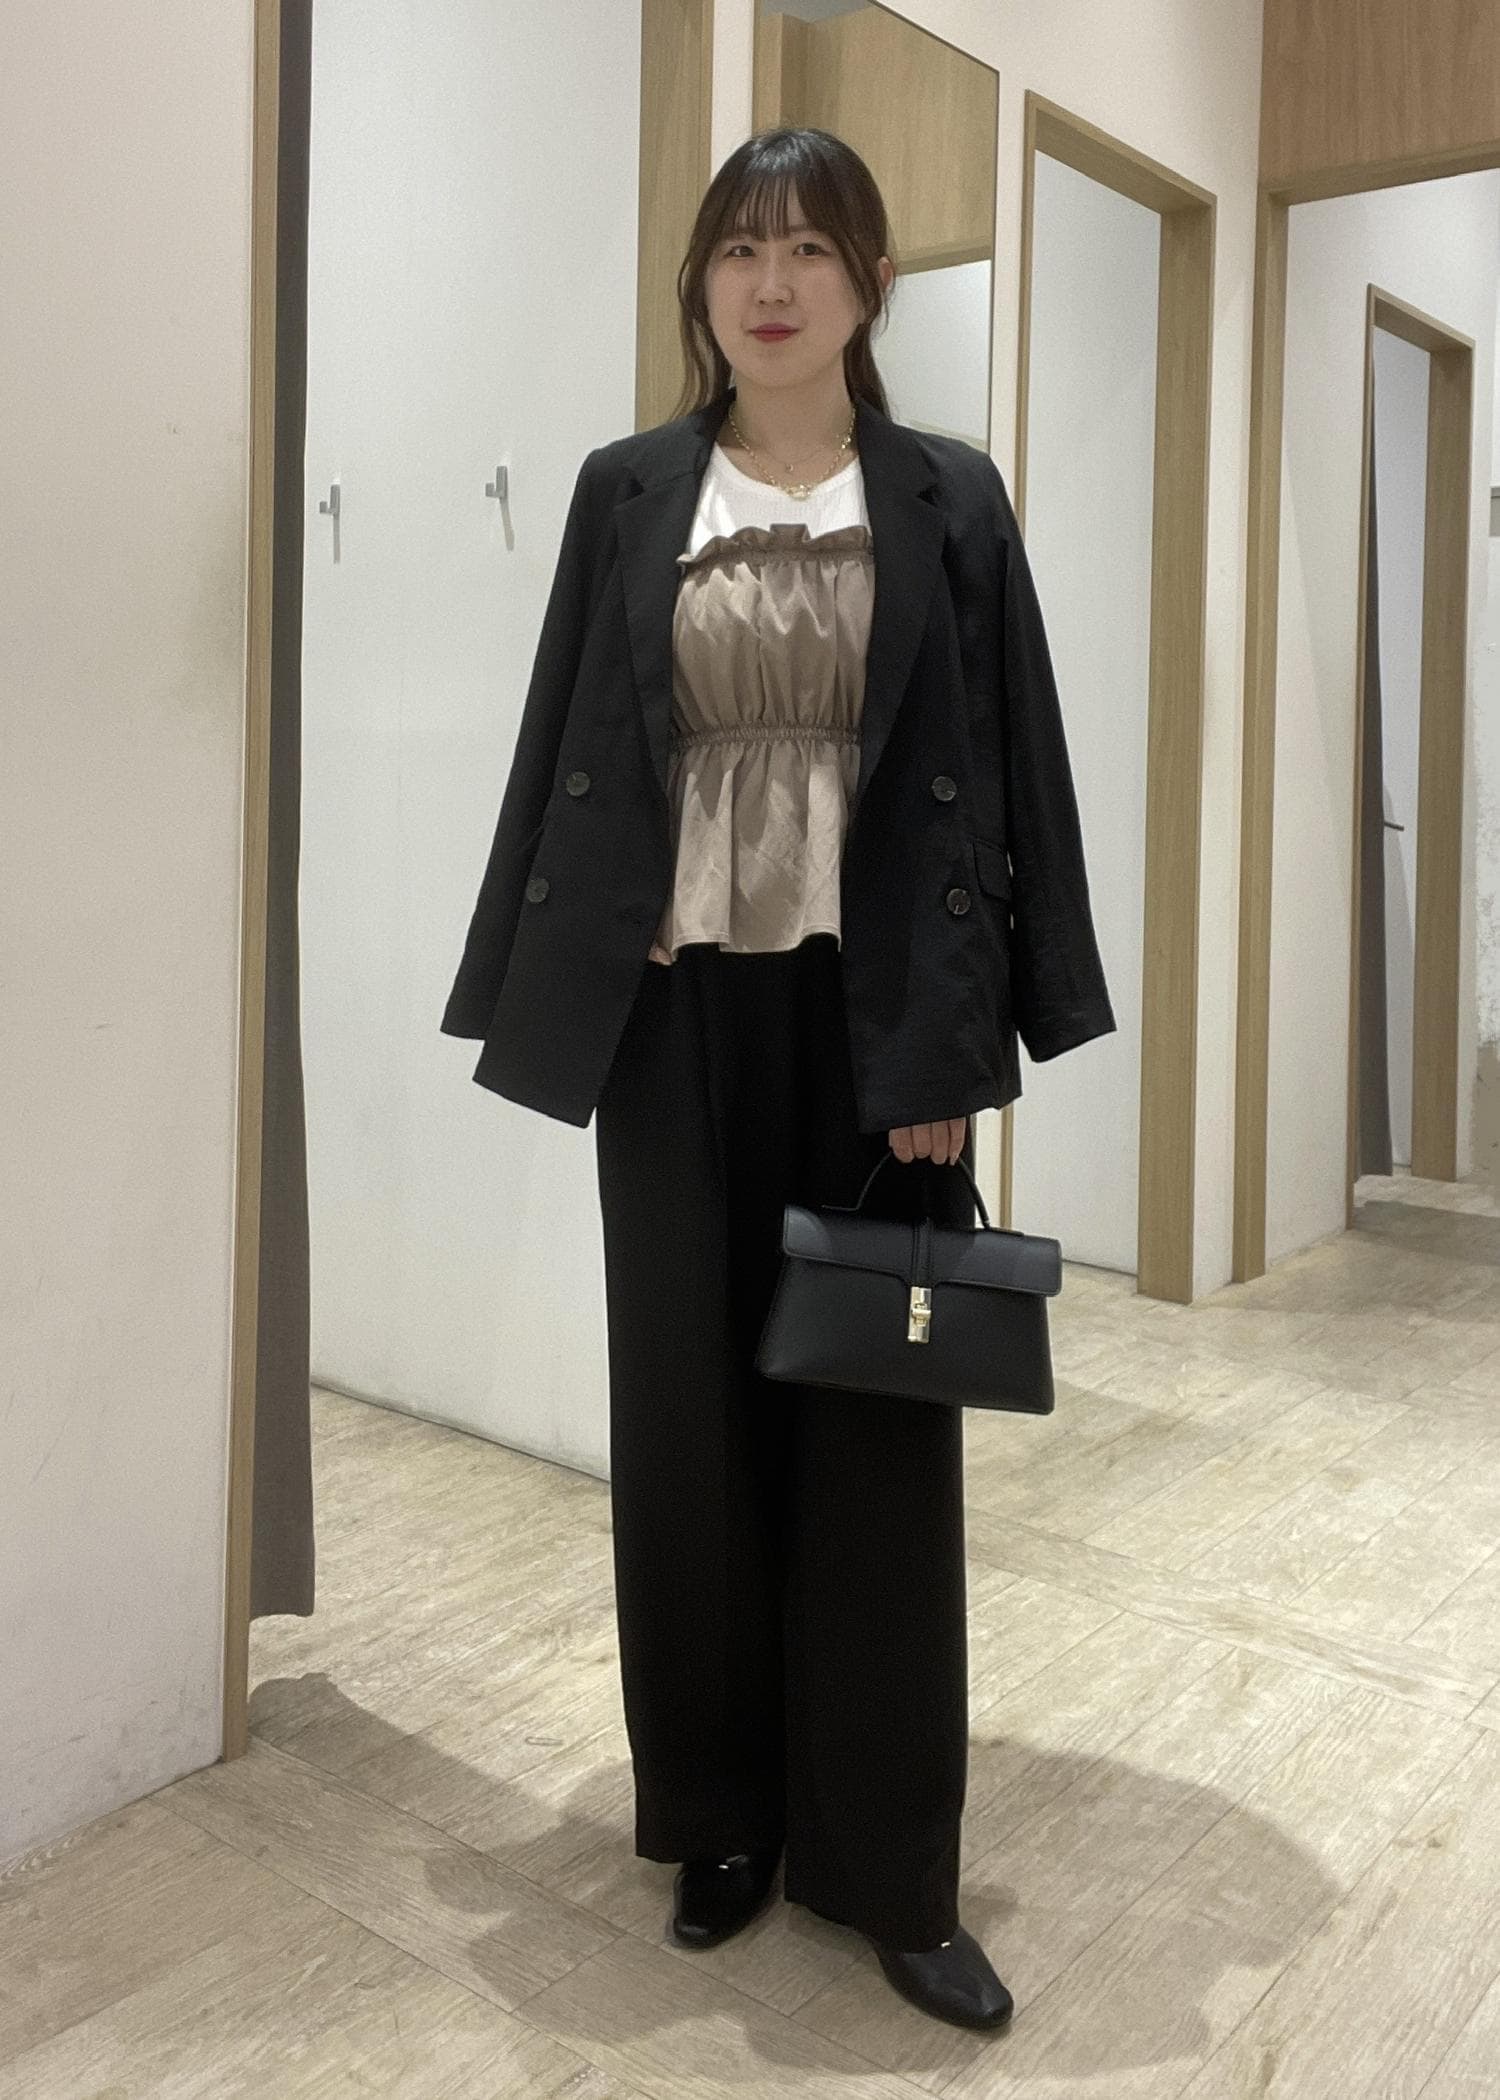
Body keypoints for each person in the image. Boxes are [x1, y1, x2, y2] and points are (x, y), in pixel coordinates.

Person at [441, 126, 1115, 2035]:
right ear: (704, 284)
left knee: (876, 1438)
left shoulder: (948, 498)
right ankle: (718, 1816)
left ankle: (891, 1866)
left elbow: (1002, 773)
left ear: (869, 285)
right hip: (674, 1025)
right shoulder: (631, 489)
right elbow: (568, 733)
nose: (773, 281)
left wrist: (960, 1052)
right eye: (742, 247)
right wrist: (547, 973)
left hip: (872, 1022)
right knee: (686, 1427)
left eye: (813, 248)